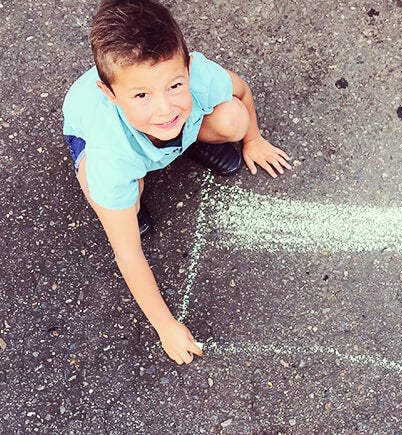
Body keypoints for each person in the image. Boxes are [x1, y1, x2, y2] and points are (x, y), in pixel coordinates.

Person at [62, 0, 291, 365]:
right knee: (110, 193)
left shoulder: (199, 75)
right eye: (141, 95)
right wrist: (165, 326)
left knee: (233, 118)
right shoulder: (110, 153)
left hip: (164, 132)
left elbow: (241, 91)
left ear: (188, 67)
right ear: (111, 95)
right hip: (99, 144)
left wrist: (253, 139)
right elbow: (128, 254)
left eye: (175, 85)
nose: (165, 107)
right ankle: (133, 193)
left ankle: (186, 142)